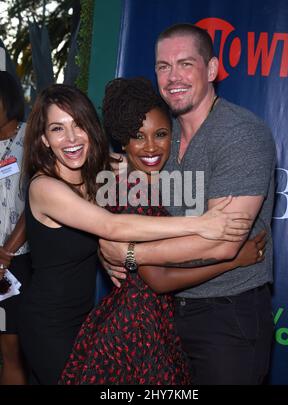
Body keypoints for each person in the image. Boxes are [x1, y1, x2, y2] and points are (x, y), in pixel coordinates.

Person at [18, 83, 251, 385]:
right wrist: (201, 224)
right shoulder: (44, 187)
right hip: (48, 324)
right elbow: (112, 225)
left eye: (79, 125)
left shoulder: (95, 173)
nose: (72, 138)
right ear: (44, 139)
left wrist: (105, 252)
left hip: (85, 319)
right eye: (58, 129)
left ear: (91, 129)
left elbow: (131, 165)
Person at [99, 24, 277, 385]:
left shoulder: (240, 133)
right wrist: (107, 243)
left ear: (211, 70)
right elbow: (122, 194)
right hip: (164, 316)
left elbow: (224, 242)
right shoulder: (162, 134)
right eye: (163, 66)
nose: (173, 76)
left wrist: (128, 252)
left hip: (227, 316)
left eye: (185, 64)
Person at [0, 71, 32, 385]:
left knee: (16, 348)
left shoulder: (31, 137)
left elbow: (38, 199)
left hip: (17, 262)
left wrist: (7, 252)